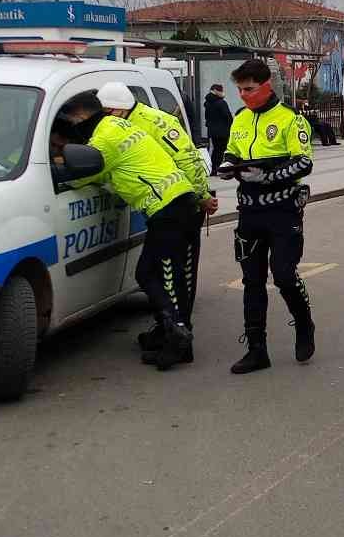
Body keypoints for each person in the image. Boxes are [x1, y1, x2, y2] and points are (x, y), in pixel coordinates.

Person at [56, 90, 197, 370]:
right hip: (175, 203)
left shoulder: (104, 137)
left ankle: (178, 337)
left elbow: (86, 173)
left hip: (167, 207)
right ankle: (174, 336)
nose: (72, 128)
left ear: (83, 116)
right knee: (158, 274)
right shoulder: (117, 125)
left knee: (160, 276)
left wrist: (56, 171)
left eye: (72, 121)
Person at [94, 82, 217, 364]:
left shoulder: (150, 123)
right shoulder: (136, 120)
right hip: (177, 203)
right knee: (169, 277)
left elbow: (187, 159)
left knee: (174, 277)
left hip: (178, 204)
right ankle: (168, 331)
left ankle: (179, 337)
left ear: (114, 110)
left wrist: (202, 196)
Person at [223, 59, 316, 375]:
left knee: (284, 275)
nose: (244, 95)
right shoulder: (240, 118)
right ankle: (256, 349)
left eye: (249, 89)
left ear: (266, 86)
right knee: (252, 281)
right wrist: (228, 166)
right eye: (240, 90)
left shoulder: (290, 119)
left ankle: (303, 322)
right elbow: (232, 151)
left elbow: (303, 163)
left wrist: (267, 178)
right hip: (249, 211)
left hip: (282, 209)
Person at [204, 83, 234, 170]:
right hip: (223, 131)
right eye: (221, 90)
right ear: (216, 91)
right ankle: (218, 167)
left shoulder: (207, 103)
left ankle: (213, 168)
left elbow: (207, 117)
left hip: (213, 131)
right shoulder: (221, 103)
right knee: (221, 150)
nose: (223, 92)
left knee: (216, 149)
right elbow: (227, 116)